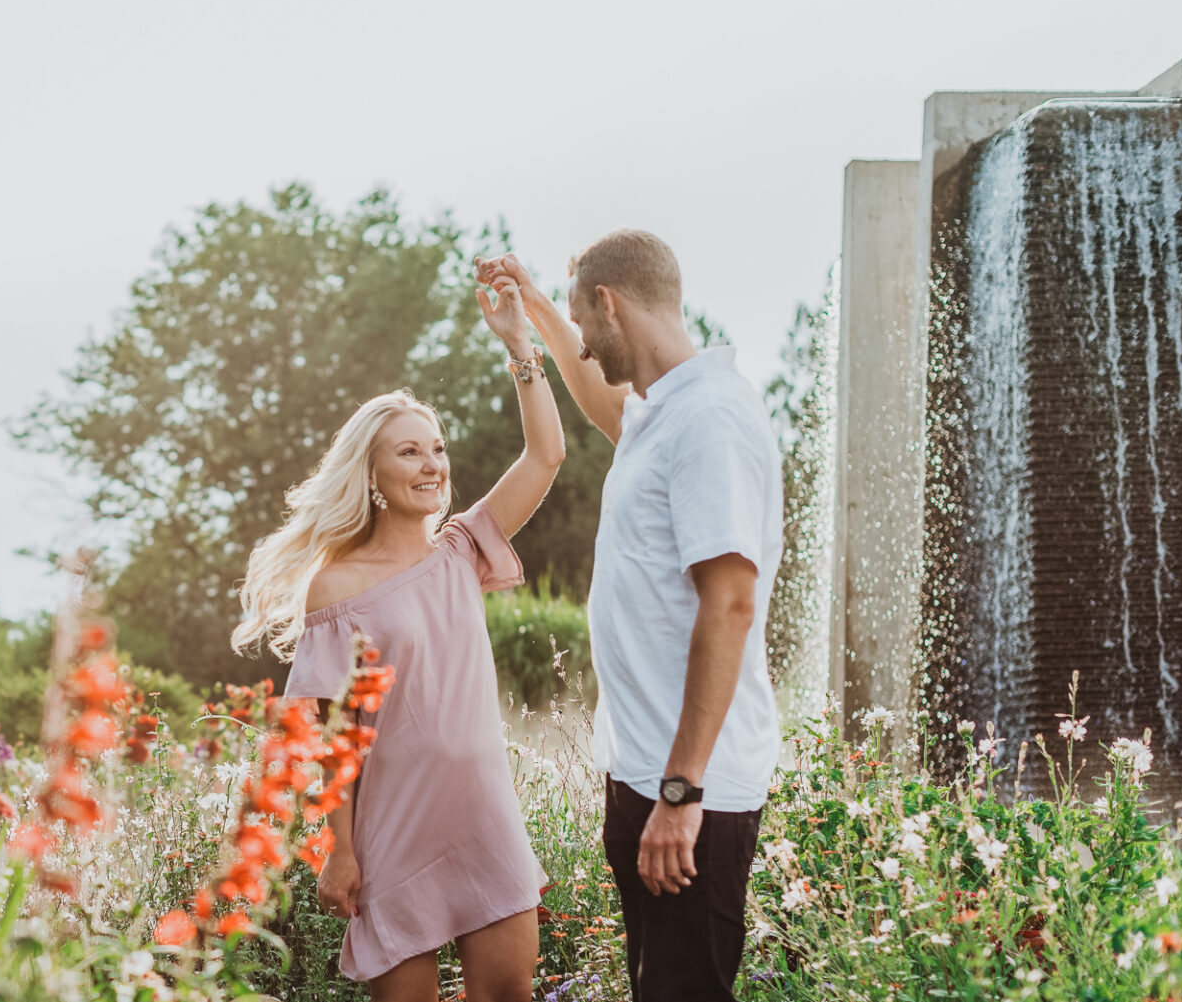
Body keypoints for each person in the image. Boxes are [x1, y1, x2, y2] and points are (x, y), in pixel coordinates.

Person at [232, 273, 564, 1002]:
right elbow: (330, 736)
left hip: (483, 818)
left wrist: (520, 347)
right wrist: (341, 849)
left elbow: (544, 457)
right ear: (374, 474)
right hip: (393, 835)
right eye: (409, 452)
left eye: (436, 449)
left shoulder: (461, 551)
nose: (432, 464)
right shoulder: (337, 589)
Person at [477, 231, 783, 1001]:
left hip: (691, 793)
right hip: (646, 776)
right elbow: (607, 406)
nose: (582, 341)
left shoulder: (709, 418)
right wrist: (534, 316)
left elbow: (731, 602)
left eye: (583, 322)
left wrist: (681, 794)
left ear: (609, 304)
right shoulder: (663, 413)